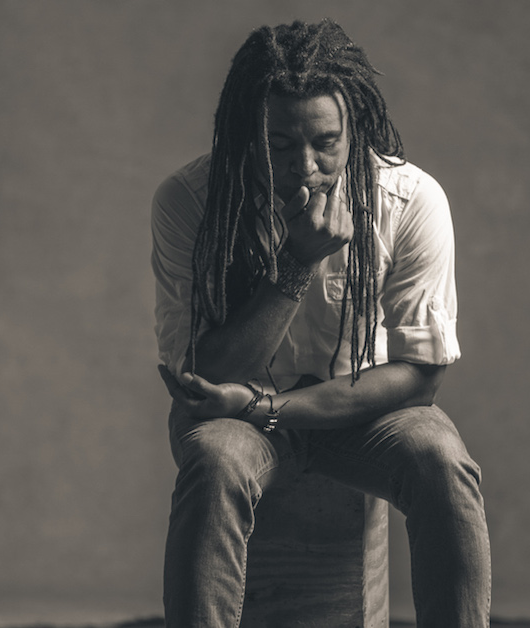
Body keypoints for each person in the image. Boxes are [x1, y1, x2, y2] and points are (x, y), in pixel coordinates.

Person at [151, 19, 490, 627]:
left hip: (362, 412)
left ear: (353, 128)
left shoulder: (409, 200)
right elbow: (204, 377)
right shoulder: (191, 202)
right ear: (242, 133)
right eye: (277, 144)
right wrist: (295, 265)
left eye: (325, 143)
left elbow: (419, 377)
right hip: (232, 415)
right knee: (214, 462)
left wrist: (271, 408)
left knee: (442, 460)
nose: (305, 167)